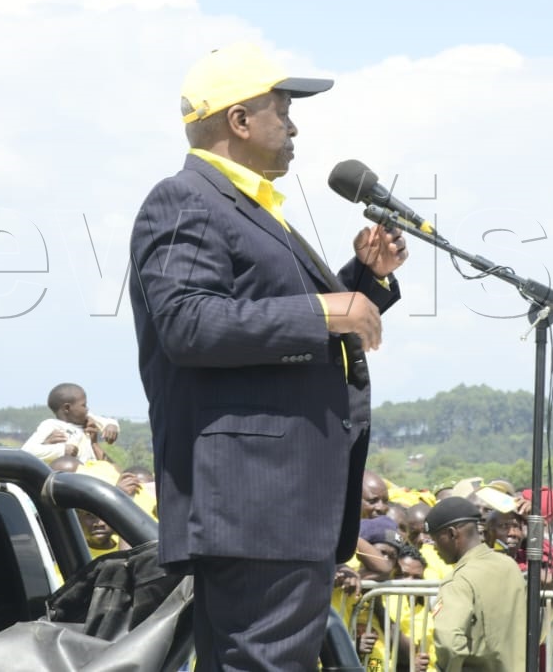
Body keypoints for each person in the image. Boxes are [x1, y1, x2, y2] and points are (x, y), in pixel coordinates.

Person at [128, 41, 407, 670]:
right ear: (240, 121)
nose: (295, 125)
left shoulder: (250, 208)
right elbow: (187, 323)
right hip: (255, 504)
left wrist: (364, 283)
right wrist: (327, 310)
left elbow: (268, 326)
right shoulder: (185, 200)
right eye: (283, 110)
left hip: (275, 507)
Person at [426, 497, 526, 671]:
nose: (434, 547)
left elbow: (449, 643)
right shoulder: (509, 565)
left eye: (436, 539)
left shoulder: (458, 580)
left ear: (452, 534)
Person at [21, 382, 120, 463]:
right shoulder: (51, 425)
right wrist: (62, 450)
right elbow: (27, 451)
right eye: (84, 405)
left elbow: (106, 422)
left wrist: (111, 426)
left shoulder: (86, 420)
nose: (87, 409)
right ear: (67, 408)